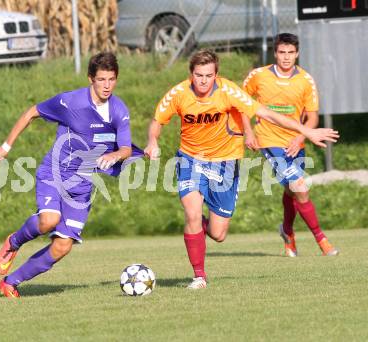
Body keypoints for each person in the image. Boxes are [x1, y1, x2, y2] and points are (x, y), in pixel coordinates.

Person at [144, 49, 339, 289]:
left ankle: (200, 229)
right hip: (191, 160)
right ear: (191, 74)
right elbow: (157, 122)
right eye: (198, 75)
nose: (203, 80)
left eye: (208, 75)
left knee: (218, 234)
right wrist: (153, 141)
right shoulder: (178, 93)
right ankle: (199, 276)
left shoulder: (228, 91)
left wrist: (305, 131)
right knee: (192, 213)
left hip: (225, 163)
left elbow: (266, 113)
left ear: (216, 74)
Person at [0, 52, 142, 298]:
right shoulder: (70, 102)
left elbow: (125, 147)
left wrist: (116, 156)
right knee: (49, 220)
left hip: (82, 185)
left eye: (111, 79)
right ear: (90, 78)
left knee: (62, 247)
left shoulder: (119, 109)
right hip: (54, 173)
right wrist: (6, 147)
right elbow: (32, 112)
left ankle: (11, 282)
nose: (106, 85)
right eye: (101, 79)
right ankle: (13, 242)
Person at [242, 33, 339, 257]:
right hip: (269, 140)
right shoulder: (258, 76)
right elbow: (241, 105)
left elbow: (312, 118)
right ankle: (321, 239)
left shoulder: (306, 80)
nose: (286, 57)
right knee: (301, 188)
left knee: (292, 190)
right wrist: (248, 133)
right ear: (275, 53)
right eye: (282, 52)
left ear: (297, 54)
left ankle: (287, 232)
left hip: (295, 142)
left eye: (290, 53)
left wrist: (300, 138)